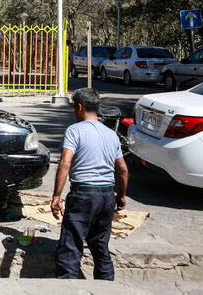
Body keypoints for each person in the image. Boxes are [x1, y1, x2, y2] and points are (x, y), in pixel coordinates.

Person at [51, 88, 128, 280]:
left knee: (71, 248)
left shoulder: (74, 130)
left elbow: (65, 164)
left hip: (83, 196)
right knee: (101, 247)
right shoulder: (111, 134)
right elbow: (123, 170)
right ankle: (107, 286)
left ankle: (67, 287)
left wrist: (56, 197)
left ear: (79, 107)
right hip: (107, 197)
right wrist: (121, 195)